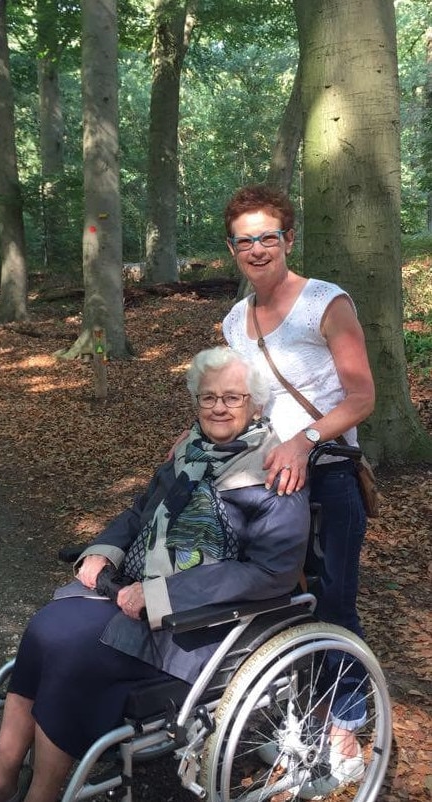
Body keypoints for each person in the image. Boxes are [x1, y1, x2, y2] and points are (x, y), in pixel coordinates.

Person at [0, 347, 310, 802]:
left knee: (76, 659)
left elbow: (271, 573)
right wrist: (104, 553)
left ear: (256, 405)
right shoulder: (189, 454)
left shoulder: (275, 475)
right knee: (44, 630)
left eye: (233, 398)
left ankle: (42, 793)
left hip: (199, 624)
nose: (218, 407)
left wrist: (162, 594)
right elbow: (139, 513)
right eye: (208, 396)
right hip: (135, 599)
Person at [221, 183, 376, 794]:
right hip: (267, 482)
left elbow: (362, 397)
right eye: (244, 240)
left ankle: (347, 723)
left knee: (333, 598)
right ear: (231, 249)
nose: (256, 248)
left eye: (267, 236)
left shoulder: (326, 303)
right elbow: (245, 402)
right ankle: (298, 713)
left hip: (330, 471)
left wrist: (304, 440)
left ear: (288, 239)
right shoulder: (235, 320)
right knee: (281, 600)